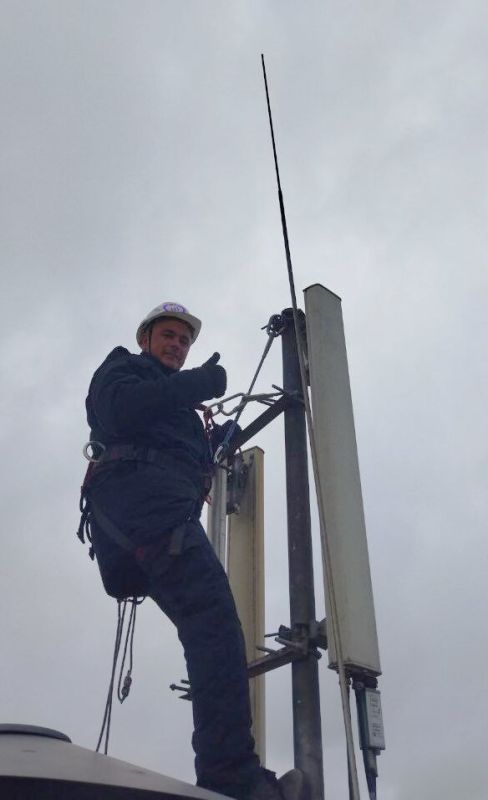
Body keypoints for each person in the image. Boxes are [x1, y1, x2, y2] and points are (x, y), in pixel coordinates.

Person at [80, 302, 306, 800]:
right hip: (146, 512)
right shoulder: (124, 369)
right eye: (168, 336)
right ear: (145, 339)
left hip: (149, 519)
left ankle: (230, 772)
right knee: (215, 626)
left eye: (184, 341)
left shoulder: (175, 412)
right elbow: (121, 409)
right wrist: (199, 384)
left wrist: (220, 436)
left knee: (211, 632)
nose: (177, 346)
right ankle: (233, 778)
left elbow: (185, 446)